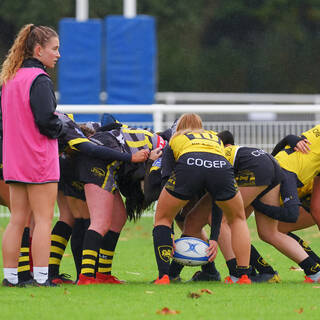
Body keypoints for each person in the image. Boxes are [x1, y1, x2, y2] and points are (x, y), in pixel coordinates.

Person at [0, 24, 65, 286]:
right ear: (39, 50)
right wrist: (61, 124)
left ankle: (10, 277)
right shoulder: (39, 80)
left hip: (14, 160)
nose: (58, 54)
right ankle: (41, 277)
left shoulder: (9, 79)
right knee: (42, 221)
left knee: (17, 220)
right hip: (38, 160)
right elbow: (46, 121)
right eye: (55, 48)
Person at [152, 113, 252, 285]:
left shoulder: (176, 138)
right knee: (238, 218)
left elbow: (166, 178)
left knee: (162, 218)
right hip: (220, 166)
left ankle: (164, 277)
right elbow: (215, 197)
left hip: (189, 164)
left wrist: (168, 234)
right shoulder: (215, 138)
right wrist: (213, 237)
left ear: (180, 126)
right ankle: (243, 276)